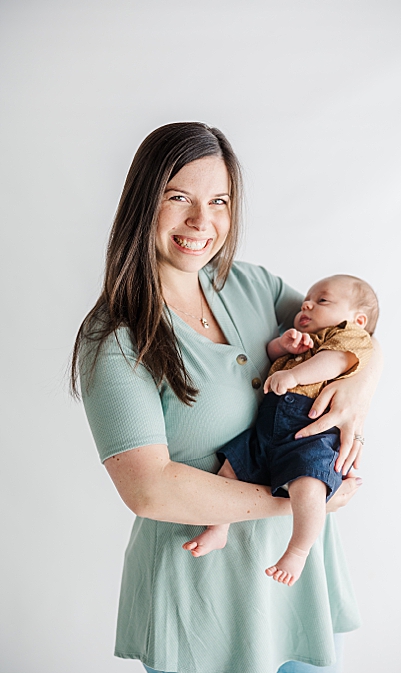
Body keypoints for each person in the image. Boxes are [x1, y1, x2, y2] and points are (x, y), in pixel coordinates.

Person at [70, 122, 381, 673]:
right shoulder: (116, 336)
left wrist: (359, 385)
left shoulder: (252, 284)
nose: (201, 222)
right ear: (144, 204)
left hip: (299, 590)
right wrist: (299, 502)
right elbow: (149, 490)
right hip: (201, 602)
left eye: (219, 200)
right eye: (178, 198)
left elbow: (358, 333)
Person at [183, 274, 377, 588]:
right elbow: (271, 357)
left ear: (357, 318)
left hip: (307, 432)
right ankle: (218, 528)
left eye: (322, 300)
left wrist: (295, 375)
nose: (308, 303)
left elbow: (333, 363)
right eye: (306, 300)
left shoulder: (348, 336)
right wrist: (281, 346)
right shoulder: (303, 338)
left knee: (308, 486)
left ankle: (298, 549)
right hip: (267, 429)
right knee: (231, 468)